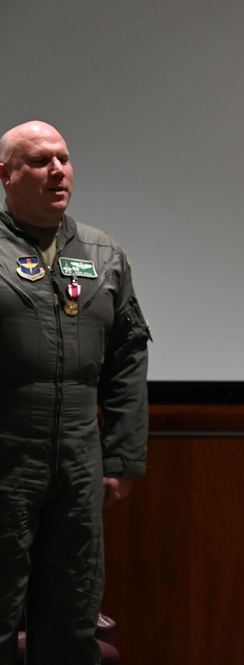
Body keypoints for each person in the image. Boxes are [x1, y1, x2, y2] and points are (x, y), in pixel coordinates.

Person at [0, 120, 151, 663]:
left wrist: (124, 456)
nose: (57, 170)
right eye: (40, 161)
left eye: (63, 158)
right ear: (6, 175)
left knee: (72, 619)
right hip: (7, 459)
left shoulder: (103, 254)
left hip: (78, 464)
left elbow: (130, 354)